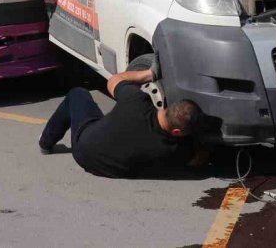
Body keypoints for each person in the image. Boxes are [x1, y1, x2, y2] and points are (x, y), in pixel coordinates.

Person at [38, 66, 204, 178]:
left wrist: (148, 74)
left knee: (78, 94)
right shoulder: (175, 151)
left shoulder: (135, 101)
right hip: (108, 169)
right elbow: (196, 161)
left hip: (85, 147)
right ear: (177, 132)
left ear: (169, 106)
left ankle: (45, 143)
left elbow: (113, 80)